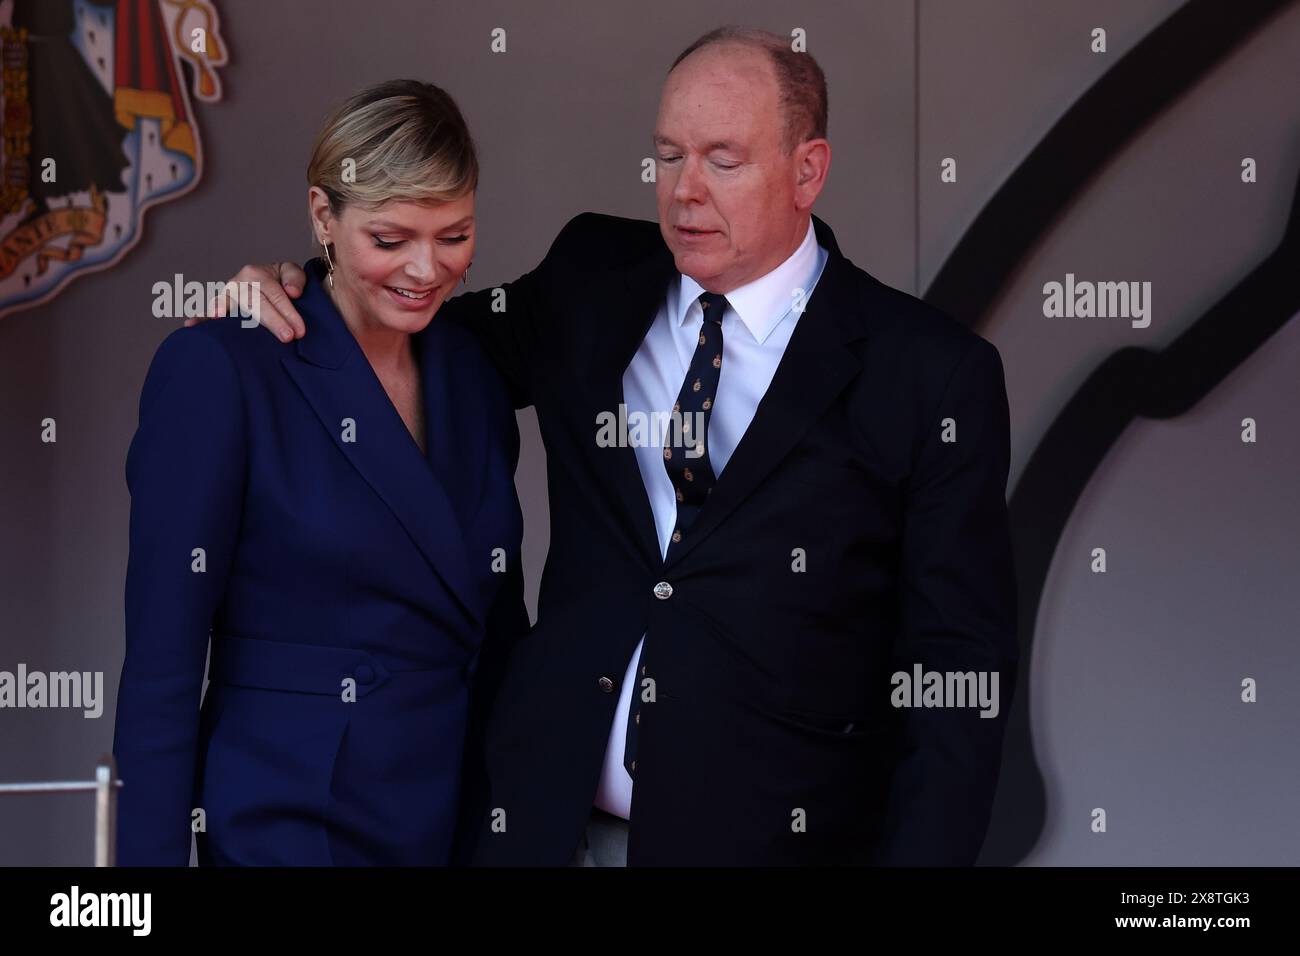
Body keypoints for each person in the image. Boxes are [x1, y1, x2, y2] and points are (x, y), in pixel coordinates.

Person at [207, 27, 1018, 866]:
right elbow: (420, 337)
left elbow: (958, 681)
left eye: (723, 161)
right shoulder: (593, 276)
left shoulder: (927, 374)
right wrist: (308, 287)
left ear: (809, 169)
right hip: (537, 830)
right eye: (669, 156)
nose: (684, 192)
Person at [112, 79, 527, 865]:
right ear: (322, 216)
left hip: (456, 818)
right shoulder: (222, 369)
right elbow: (161, 671)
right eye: (392, 237)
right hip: (290, 821)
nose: (425, 269)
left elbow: (500, 628)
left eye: (454, 235)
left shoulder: (472, 375)